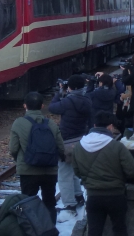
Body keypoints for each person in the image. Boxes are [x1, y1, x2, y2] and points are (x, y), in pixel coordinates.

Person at [73, 111, 134, 236]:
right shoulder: (117, 146)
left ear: (94, 125)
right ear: (110, 126)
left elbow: (77, 171)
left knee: (94, 231)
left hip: (93, 196)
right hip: (116, 196)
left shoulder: (78, 146)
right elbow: (133, 171)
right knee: (119, 230)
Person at [9, 91, 65, 223]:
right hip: (49, 170)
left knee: (27, 202)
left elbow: (13, 148)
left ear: (25, 106)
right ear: (42, 106)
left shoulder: (19, 123)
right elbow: (61, 147)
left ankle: (30, 230)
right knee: (49, 202)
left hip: (28, 170)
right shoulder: (51, 124)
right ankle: (50, 229)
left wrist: (20, 160)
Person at [48, 74, 92, 215]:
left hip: (66, 141)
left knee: (64, 173)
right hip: (81, 139)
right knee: (73, 170)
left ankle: (69, 204)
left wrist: (59, 93)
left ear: (71, 87)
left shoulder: (68, 101)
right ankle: (79, 196)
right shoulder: (87, 99)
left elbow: (52, 108)